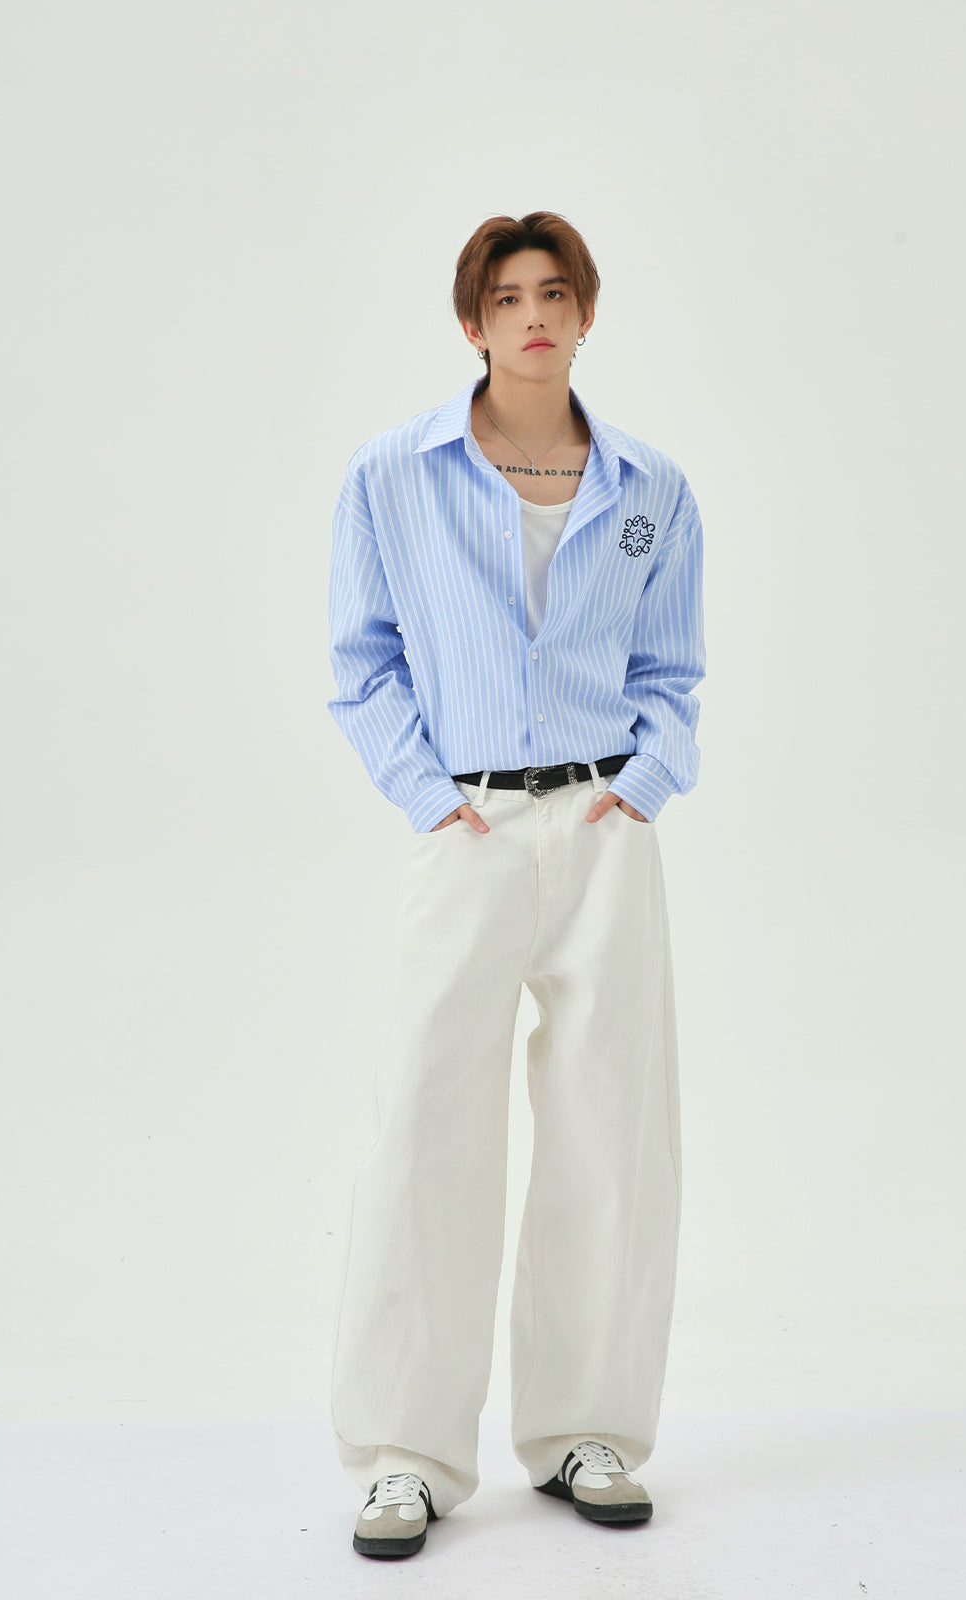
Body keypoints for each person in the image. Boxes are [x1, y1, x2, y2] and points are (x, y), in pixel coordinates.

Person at [325, 210, 706, 1560]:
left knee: (613, 1133)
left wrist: (646, 783)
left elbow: (672, 669)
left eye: (555, 293)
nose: (533, 314)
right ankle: (405, 1455)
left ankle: (587, 1432)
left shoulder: (651, 487)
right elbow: (362, 662)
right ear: (473, 321)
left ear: (586, 315)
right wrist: (429, 794)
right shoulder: (397, 474)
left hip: (606, 831)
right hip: (469, 827)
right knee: (425, 1130)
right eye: (506, 296)